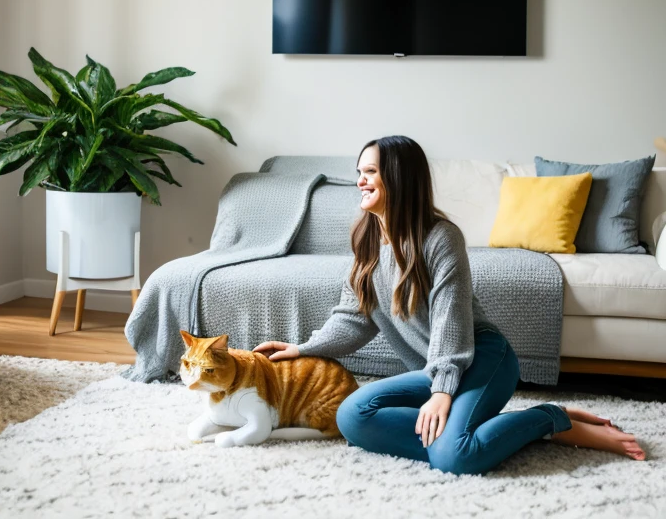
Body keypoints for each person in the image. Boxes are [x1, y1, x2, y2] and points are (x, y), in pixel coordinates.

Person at [253, 136, 645, 475]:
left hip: (481, 360)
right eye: (360, 172)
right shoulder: (367, 242)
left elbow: (450, 320)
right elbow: (353, 318)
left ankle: (551, 420)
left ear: (399, 177)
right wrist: (303, 348)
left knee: (455, 458)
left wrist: (442, 391)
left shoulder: (441, 237)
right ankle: (482, 432)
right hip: (434, 370)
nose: (360, 181)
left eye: (370, 172)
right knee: (352, 417)